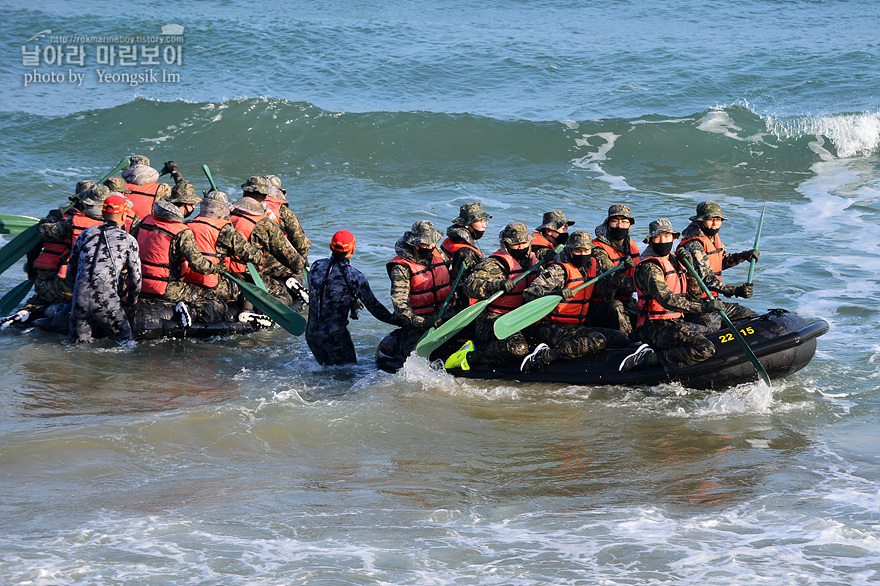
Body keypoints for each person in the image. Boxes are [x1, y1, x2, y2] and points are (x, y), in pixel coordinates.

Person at [620, 219, 724, 373]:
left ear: (674, 238)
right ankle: (647, 359)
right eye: (658, 237)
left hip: (675, 321)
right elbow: (666, 299)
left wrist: (688, 267)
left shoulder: (675, 260)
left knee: (712, 332)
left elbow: (694, 294)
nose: (663, 241)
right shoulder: (650, 266)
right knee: (705, 348)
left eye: (667, 236)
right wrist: (702, 307)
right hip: (654, 327)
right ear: (651, 241)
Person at [519, 230, 630, 372]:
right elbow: (529, 293)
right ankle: (544, 356)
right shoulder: (559, 269)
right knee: (598, 340)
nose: (583, 254)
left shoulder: (592, 267)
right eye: (578, 250)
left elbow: (606, 293)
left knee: (621, 338)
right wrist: (555, 293)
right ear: (570, 252)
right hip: (551, 326)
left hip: (577, 325)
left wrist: (620, 272)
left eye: (587, 250)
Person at [446, 221, 538, 370]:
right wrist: (496, 285)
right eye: (515, 244)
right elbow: (470, 286)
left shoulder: (534, 260)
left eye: (524, 242)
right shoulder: (494, 264)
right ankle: (470, 355)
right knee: (517, 348)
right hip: (494, 319)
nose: (521, 247)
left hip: (521, 317)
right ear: (506, 244)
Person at [136, 182, 226, 325]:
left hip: (138, 282)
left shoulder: (146, 220)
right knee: (213, 300)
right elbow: (199, 265)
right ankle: (189, 312)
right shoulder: (181, 231)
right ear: (187, 205)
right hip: (164, 286)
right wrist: (218, 268)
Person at [306, 230, 397, 366]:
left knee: (325, 372)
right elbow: (375, 308)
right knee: (347, 377)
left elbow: (326, 291)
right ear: (352, 250)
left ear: (331, 247)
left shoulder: (316, 266)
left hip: (311, 334)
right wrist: (398, 320)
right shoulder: (354, 276)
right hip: (336, 338)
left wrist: (351, 301)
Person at [66, 194, 141, 345]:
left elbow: (71, 270)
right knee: (125, 342)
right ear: (124, 216)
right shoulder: (128, 240)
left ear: (102, 214)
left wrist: (76, 293)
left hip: (80, 298)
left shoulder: (85, 234)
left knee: (78, 346)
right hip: (105, 299)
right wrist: (132, 299)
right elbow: (136, 278)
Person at [675, 200, 760, 329]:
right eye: (710, 220)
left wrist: (744, 256)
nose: (715, 224)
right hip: (696, 304)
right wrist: (735, 290)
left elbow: (722, 261)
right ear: (700, 221)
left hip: (713, 301)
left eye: (718, 219)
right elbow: (706, 279)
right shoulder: (694, 245)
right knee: (710, 329)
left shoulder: (712, 237)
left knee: (751, 317)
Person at [229, 176, 307, 307]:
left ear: (244, 193)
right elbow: (298, 244)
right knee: (289, 281)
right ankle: (291, 285)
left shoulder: (228, 212)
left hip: (229, 268)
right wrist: (301, 263)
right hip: (256, 268)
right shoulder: (269, 219)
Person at [184, 190, 264, 310]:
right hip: (211, 283)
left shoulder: (187, 224)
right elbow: (252, 255)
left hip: (186, 280)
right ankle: (246, 312)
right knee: (248, 283)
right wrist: (261, 255)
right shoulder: (223, 230)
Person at [386, 220, 452, 354]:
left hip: (443, 313)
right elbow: (400, 306)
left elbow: (454, 278)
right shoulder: (401, 267)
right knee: (412, 352)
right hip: (416, 320)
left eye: (432, 242)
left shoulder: (438, 253)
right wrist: (422, 322)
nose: (429, 247)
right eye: (425, 244)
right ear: (414, 244)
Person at [589, 204, 641, 335]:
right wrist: (643, 282)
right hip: (602, 305)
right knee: (616, 307)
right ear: (607, 224)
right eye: (614, 221)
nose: (619, 226)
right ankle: (629, 344)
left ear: (630, 225)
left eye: (624, 222)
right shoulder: (598, 249)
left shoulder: (632, 246)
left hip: (627, 301)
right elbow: (610, 288)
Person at [440, 202, 491, 305]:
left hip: (444, 295)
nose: (484, 224)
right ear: (467, 225)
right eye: (480, 221)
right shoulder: (465, 251)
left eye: (485, 220)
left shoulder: (449, 241)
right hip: (458, 301)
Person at [263, 174, 312, 261]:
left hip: (250, 263)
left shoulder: (246, 208)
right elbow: (300, 243)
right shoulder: (283, 211)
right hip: (277, 264)